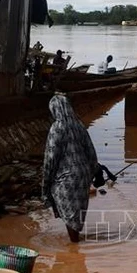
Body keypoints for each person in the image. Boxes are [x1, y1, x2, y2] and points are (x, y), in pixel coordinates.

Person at [42, 93, 100, 243]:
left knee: (68, 210)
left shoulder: (57, 128)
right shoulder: (79, 125)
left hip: (67, 177)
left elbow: (50, 158)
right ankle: (75, 240)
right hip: (83, 174)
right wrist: (93, 171)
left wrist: (46, 183)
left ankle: (74, 245)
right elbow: (91, 151)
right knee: (76, 210)